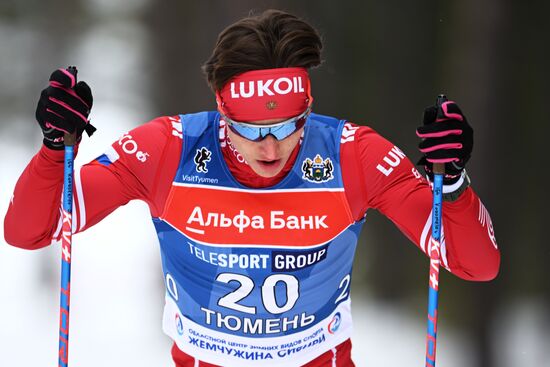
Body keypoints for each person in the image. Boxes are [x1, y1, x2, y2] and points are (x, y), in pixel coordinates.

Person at [4, 9, 500, 367]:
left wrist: (451, 182)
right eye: (250, 129)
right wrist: (54, 147)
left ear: (307, 110)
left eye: (289, 127)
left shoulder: (353, 153)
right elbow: (29, 231)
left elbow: (475, 263)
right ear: (222, 111)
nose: (270, 147)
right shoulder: (168, 148)